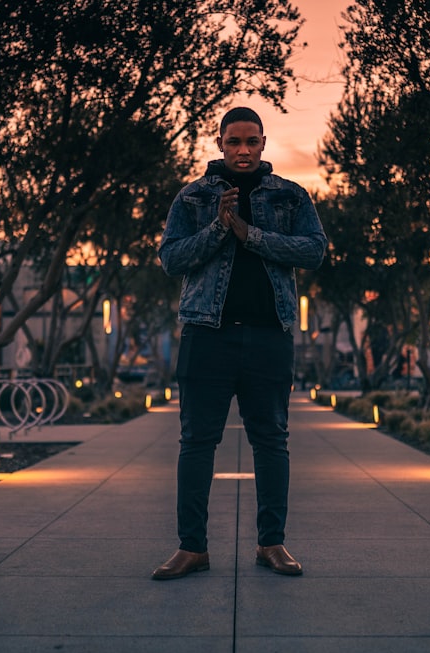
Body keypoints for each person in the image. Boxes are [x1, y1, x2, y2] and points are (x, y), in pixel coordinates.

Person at [152, 106, 327, 580]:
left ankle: (271, 544)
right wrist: (217, 227)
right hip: (206, 336)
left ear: (264, 143)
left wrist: (249, 234)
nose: (243, 150)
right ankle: (192, 548)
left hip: (270, 337)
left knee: (271, 441)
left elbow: (314, 250)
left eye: (252, 141)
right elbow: (171, 259)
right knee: (196, 443)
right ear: (220, 143)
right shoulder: (193, 198)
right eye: (234, 142)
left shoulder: (290, 197)